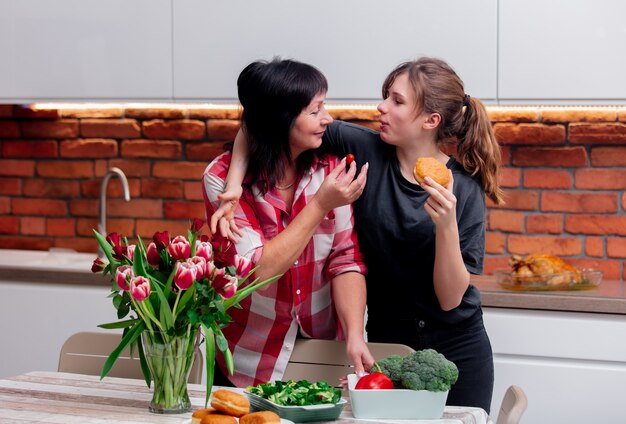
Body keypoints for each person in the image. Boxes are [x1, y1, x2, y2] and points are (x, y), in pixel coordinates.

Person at [211, 57, 503, 412]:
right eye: (385, 96)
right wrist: (233, 186)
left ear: (431, 120)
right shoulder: (365, 150)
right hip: (385, 343)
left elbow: (450, 298)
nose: (380, 106)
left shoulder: (464, 191)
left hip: (458, 344)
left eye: (396, 101)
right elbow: (267, 119)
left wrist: (446, 226)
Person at [202, 58, 373, 387]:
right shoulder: (222, 182)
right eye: (315, 110)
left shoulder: (330, 167)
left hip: (322, 354)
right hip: (247, 360)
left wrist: (355, 334)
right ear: (280, 120)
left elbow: (345, 259)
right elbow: (256, 272)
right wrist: (321, 204)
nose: (328, 118)